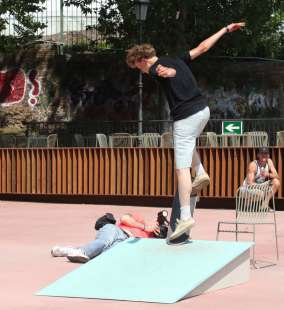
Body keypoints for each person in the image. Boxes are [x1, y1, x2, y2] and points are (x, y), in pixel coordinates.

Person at [126, 22, 245, 241]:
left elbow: (162, 71)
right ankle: (200, 173)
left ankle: (186, 217)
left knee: (181, 170)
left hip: (186, 117)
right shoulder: (175, 58)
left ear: (142, 59)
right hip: (203, 111)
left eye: (138, 67)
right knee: (187, 144)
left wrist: (168, 73)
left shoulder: (155, 67)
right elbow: (202, 48)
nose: (141, 72)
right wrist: (226, 29)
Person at [51, 212, 161, 263]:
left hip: (125, 243)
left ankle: (68, 250)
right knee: (104, 242)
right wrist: (145, 226)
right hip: (117, 231)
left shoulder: (150, 241)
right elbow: (124, 218)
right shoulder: (141, 220)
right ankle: (82, 252)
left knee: (104, 256)